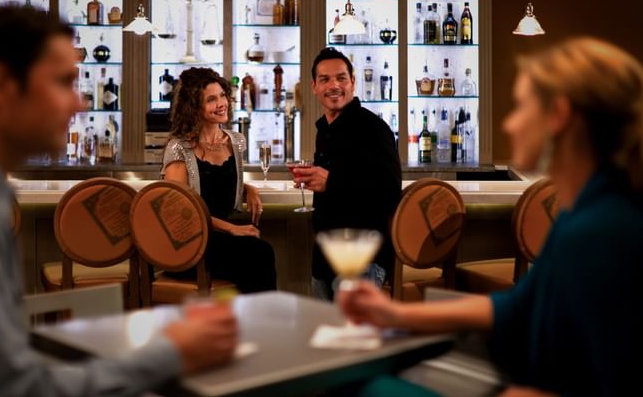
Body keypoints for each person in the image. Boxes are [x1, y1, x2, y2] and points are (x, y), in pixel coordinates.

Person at [0, 5, 238, 397]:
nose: (79, 104)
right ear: (1, 85)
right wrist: (170, 353)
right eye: (64, 82)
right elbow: (7, 388)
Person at [338, 37, 643, 397]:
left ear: (558, 115)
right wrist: (394, 315)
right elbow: (514, 306)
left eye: (519, 107)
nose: (509, 124)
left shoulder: (604, 231)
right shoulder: (580, 214)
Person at [293, 47, 401, 300]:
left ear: (353, 82)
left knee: (354, 338)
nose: (334, 85)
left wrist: (331, 181)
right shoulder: (325, 130)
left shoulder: (373, 128)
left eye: (341, 78)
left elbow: (389, 192)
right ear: (314, 87)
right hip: (324, 258)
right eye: (325, 79)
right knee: (327, 337)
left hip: (361, 261)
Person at [161, 67, 276, 293]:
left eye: (223, 95)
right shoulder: (179, 147)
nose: (222, 103)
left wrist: (247, 189)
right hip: (189, 243)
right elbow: (181, 210)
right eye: (211, 99)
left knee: (259, 252)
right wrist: (232, 229)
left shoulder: (235, 141)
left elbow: (219, 181)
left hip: (219, 239)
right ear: (194, 107)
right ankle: (259, 323)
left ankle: (252, 322)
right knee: (258, 253)